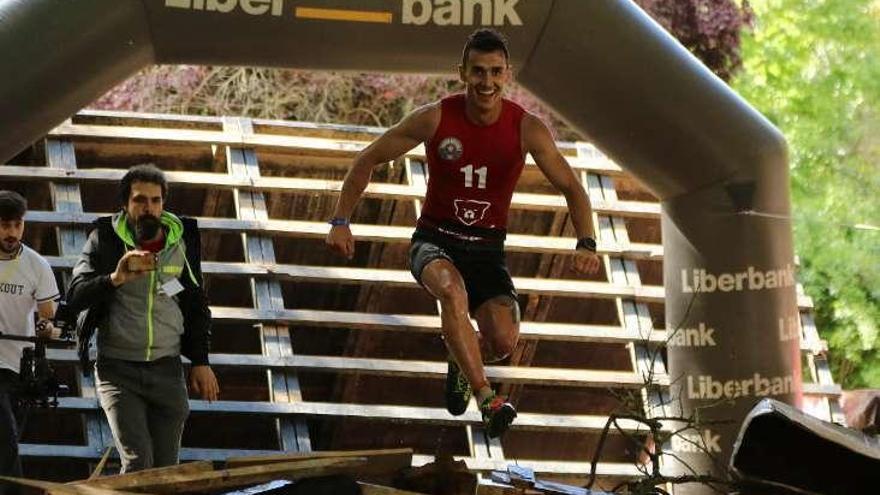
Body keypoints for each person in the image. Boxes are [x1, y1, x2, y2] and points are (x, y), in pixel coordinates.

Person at [326, 29, 601, 438]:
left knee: (504, 341)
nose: (485, 82)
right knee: (452, 293)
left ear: (506, 74)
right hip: (435, 240)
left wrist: (587, 241)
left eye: (494, 72)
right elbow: (369, 158)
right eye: (477, 72)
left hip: (487, 250)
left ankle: (460, 356)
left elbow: (572, 187)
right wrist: (340, 220)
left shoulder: (527, 128)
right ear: (462, 73)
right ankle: (487, 398)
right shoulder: (436, 116)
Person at [67, 164, 219, 472]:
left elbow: (194, 302)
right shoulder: (104, 237)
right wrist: (115, 278)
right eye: (139, 200)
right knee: (139, 463)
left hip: (167, 367)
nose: (147, 208)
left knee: (165, 470)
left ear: (163, 203)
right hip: (118, 369)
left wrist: (201, 360)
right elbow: (75, 296)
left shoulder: (182, 238)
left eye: (155, 200)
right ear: (125, 204)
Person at [0, 191, 60, 492]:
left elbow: (49, 317)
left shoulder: (37, 265)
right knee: (6, 441)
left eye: (17, 225)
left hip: (18, 369)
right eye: (4, 225)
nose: (12, 233)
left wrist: (46, 327)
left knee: (7, 443)